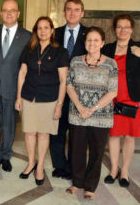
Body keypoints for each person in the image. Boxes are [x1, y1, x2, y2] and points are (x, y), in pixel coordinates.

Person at [15, 16, 69, 185]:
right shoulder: (29, 49)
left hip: (49, 98)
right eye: (39, 28)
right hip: (29, 95)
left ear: (52, 31)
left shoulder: (60, 51)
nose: (43, 31)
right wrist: (18, 97)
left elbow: (63, 80)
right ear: (35, 31)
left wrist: (60, 104)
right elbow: (22, 73)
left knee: (44, 134)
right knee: (29, 132)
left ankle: (40, 167)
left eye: (46, 28)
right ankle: (31, 163)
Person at [66, 26, 118, 200]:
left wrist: (92, 109)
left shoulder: (111, 63)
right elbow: (69, 85)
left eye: (96, 40)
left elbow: (113, 92)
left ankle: (90, 186)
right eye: (89, 40)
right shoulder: (75, 61)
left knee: (96, 153)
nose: (92, 43)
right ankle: (77, 182)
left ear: (102, 43)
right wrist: (81, 108)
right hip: (78, 114)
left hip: (101, 117)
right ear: (85, 42)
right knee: (76, 150)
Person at [0, 0, 31, 173]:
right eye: (5, 11)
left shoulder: (27, 36)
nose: (9, 14)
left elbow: (28, 65)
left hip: (13, 87)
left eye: (13, 11)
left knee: (9, 124)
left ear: (18, 14)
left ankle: (5, 156)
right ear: (1, 13)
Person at [49, 0, 87, 180]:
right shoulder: (53, 34)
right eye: (69, 9)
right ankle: (59, 166)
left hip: (81, 93)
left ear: (82, 13)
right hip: (56, 90)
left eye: (76, 9)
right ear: (64, 12)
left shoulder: (90, 34)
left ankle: (74, 167)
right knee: (56, 130)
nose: (72, 13)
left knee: (77, 133)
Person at [102, 14, 140, 188]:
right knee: (114, 134)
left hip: (132, 98)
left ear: (132, 29)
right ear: (114, 29)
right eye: (119, 27)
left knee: (130, 136)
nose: (123, 30)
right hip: (112, 98)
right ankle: (113, 170)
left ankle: (124, 170)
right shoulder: (108, 49)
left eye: (126, 27)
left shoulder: (139, 47)